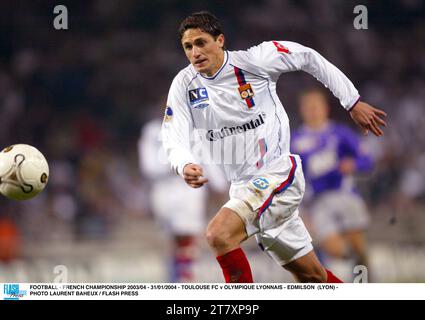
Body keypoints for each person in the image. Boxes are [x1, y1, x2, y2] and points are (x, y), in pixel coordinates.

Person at [161, 11, 387, 283]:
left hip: (276, 175)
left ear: (220, 40)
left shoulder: (255, 61)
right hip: (243, 188)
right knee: (312, 277)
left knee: (218, 234)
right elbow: (173, 134)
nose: (195, 52)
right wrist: (183, 163)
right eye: (188, 46)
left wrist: (351, 101)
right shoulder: (184, 85)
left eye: (201, 42)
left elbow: (307, 56)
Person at [291, 88, 373, 278]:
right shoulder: (295, 140)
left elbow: (367, 161)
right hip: (317, 201)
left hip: (345, 194)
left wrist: (353, 164)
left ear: (325, 108)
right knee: (333, 247)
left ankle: (365, 280)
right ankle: (356, 268)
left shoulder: (340, 133)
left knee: (358, 244)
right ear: (302, 110)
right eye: (308, 107)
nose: (312, 110)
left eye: (315, 106)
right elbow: (292, 176)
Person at [139, 113, 227, 282]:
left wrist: (219, 184)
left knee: (185, 240)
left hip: (185, 188)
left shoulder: (194, 128)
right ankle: (181, 280)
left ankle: (182, 280)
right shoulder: (153, 130)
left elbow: (206, 158)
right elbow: (149, 166)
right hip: (167, 187)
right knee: (178, 241)